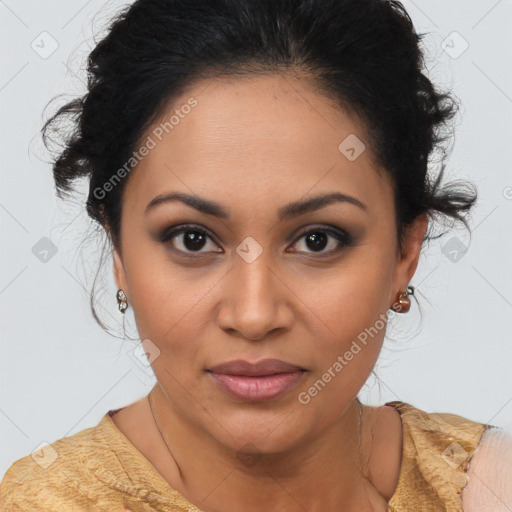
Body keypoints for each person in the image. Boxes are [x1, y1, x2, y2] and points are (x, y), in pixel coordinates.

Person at [1, 0, 511, 510]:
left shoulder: (487, 486)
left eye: (318, 240)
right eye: (193, 239)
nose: (254, 315)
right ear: (119, 251)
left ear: (405, 253)